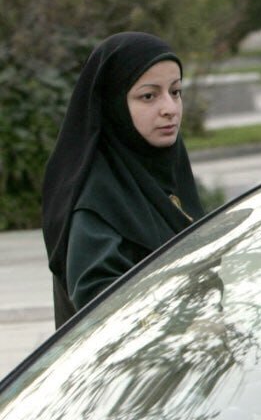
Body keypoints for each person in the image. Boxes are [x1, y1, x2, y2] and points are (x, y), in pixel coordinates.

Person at [41, 32, 204, 327]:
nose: (169, 108)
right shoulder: (97, 201)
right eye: (148, 96)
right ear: (113, 104)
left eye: (176, 91)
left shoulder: (165, 173)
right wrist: (185, 325)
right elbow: (102, 306)